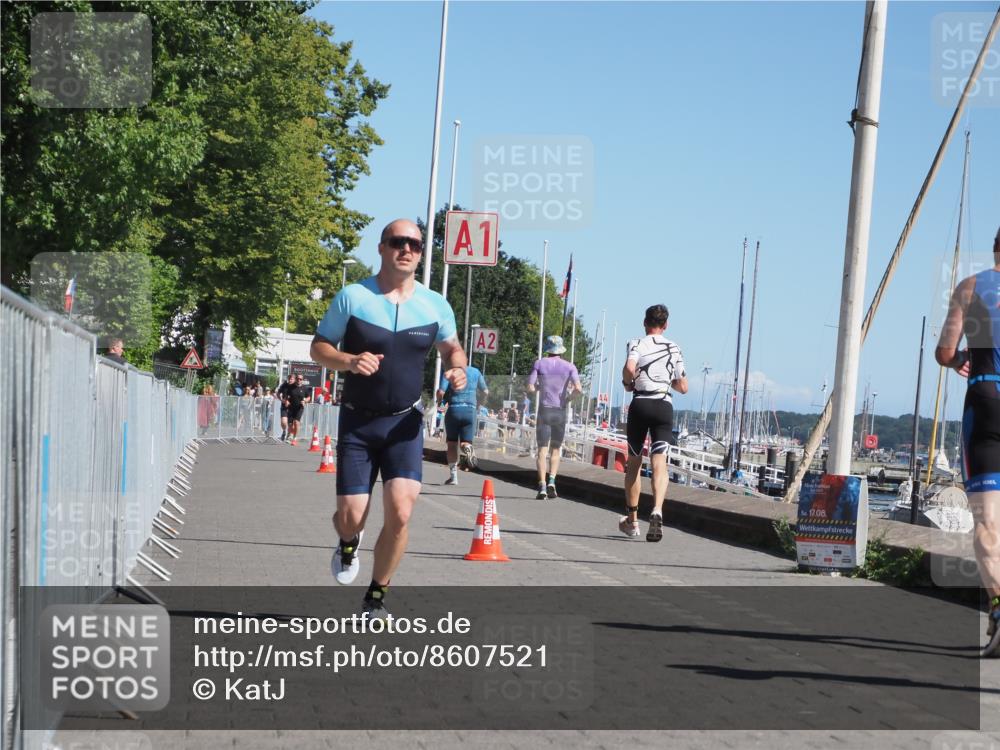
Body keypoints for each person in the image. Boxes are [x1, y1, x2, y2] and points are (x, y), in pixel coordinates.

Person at [310, 218, 467, 619]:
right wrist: (347, 360)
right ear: (381, 248)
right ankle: (348, 543)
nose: (407, 249)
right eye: (398, 241)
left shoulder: (435, 304)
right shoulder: (352, 297)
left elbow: (452, 348)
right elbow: (319, 348)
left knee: (400, 512)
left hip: (404, 424)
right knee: (350, 518)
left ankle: (375, 597)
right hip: (358, 424)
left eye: (415, 243)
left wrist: (457, 367)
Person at [935, 226, 1000, 657]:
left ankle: (998, 603)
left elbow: (944, 352)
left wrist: (961, 359)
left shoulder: (971, 286)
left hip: (987, 398)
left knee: (987, 522)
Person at [619, 304, 688, 542]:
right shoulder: (675, 347)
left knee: (634, 462)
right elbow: (683, 387)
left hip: (640, 405)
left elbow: (629, 369)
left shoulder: (636, 343)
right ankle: (657, 509)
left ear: (644, 323)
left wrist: (628, 382)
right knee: (659, 462)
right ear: (666, 325)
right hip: (663, 406)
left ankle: (632, 521)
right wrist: (670, 383)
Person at [526, 335, 582, 499]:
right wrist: (567, 399)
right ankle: (552, 481)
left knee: (542, 451)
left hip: (544, 410)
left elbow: (530, 387)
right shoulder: (570, 366)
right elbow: (578, 388)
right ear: (561, 349)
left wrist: (538, 388)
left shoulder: (539, 363)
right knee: (556, 449)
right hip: (560, 410)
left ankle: (542, 485)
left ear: (547, 348)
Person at [437, 364, 488, 485]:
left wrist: (440, 402)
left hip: (454, 409)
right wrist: (480, 403)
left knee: (452, 444)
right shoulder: (476, 372)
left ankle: (453, 476)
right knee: (465, 443)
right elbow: (485, 391)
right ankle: (468, 448)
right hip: (470, 410)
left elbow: (441, 391)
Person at [284, 374, 310, 445]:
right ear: (296, 379)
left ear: (302, 380)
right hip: (291, 407)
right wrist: (286, 401)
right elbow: (286, 396)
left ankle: (295, 438)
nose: (299, 380)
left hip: (299, 408)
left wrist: (305, 401)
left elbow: (308, 397)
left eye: (300, 379)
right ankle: (290, 435)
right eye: (298, 378)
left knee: (296, 422)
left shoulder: (304, 388)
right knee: (290, 424)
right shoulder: (291, 387)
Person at [275, 373, 297, 441]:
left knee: (291, 424)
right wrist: (282, 400)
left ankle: (289, 434)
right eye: (289, 379)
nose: (290, 380)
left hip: (293, 407)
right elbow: (278, 393)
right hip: (284, 405)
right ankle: (284, 431)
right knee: (284, 422)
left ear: (294, 380)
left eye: (292, 379)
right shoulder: (284, 385)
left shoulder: (296, 386)